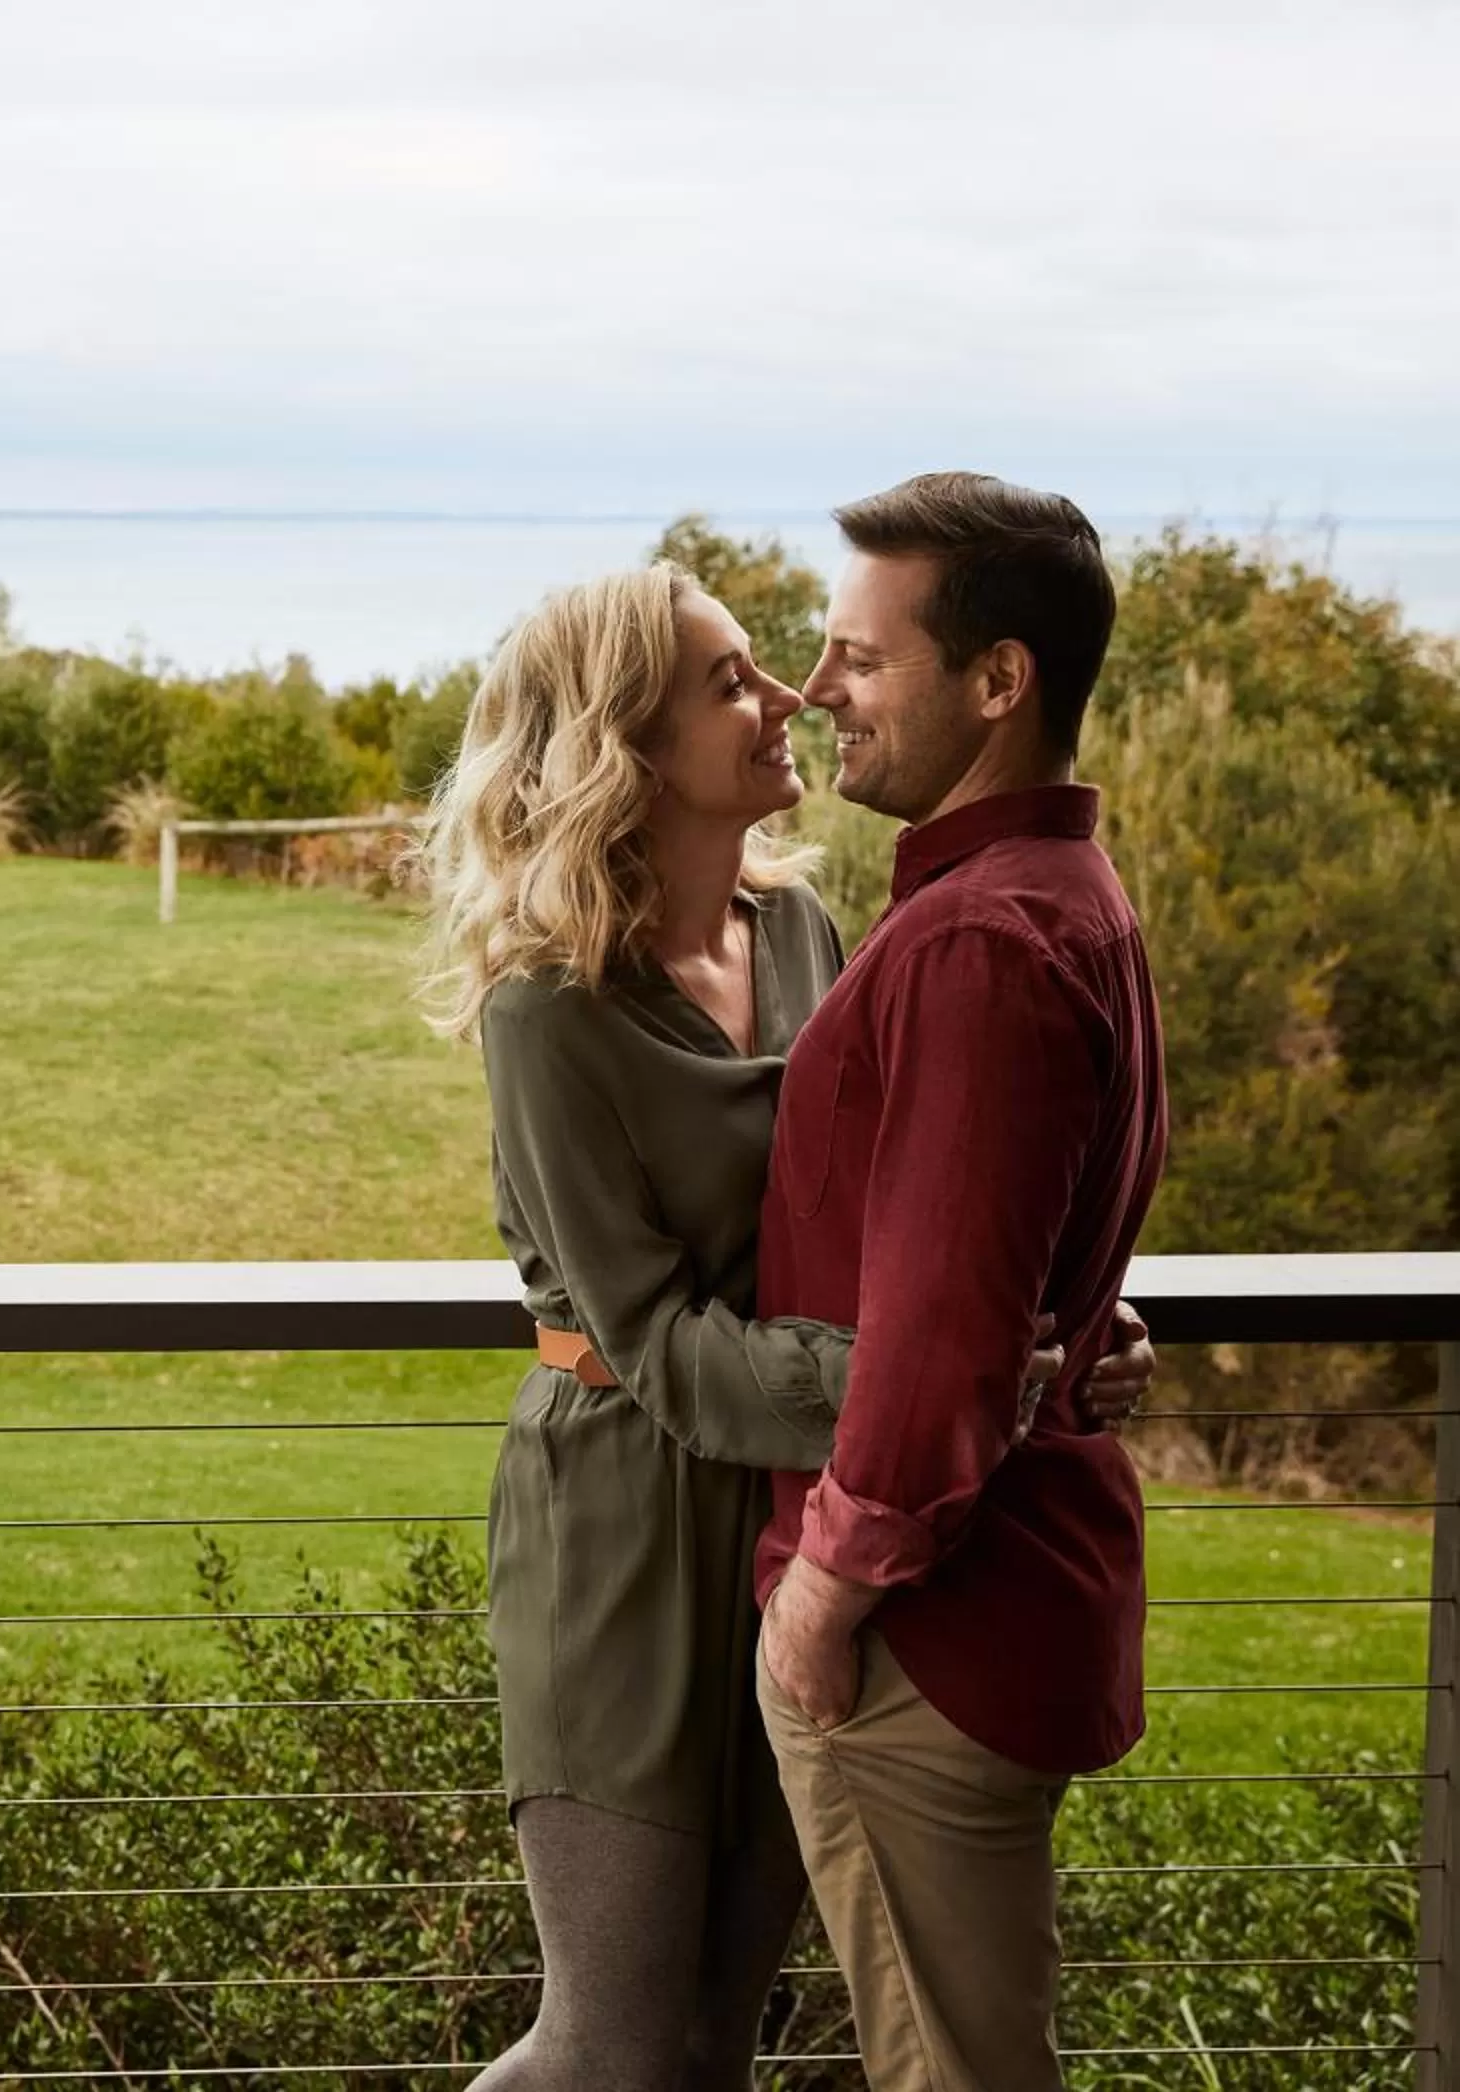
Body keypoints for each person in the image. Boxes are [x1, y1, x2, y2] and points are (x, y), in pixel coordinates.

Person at [411, 561, 1150, 2089]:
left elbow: (917, 1206)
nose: (790, 695)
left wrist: (1054, 1325)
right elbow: (667, 1347)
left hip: (800, 1510)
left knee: (716, 2037)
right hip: (620, 1526)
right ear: (621, 740)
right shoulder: (551, 1011)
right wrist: (929, 1381)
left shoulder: (811, 928)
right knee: (608, 2044)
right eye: (730, 679)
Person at [755, 473, 1169, 2091]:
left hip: (927, 1635)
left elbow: (933, 1341)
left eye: (860, 657)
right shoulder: (1061, 898)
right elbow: (1021, 1240)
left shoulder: (979, 942)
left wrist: (822, 1598)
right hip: (986, 1601)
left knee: (955, 2072)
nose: (818, 690)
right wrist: (1089, 1330)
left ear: (1000, 682)